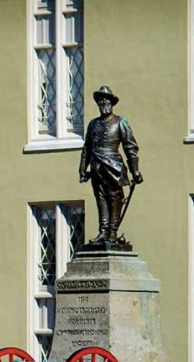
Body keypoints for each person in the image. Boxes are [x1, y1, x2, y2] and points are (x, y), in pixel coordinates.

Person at [79, 86, 143, 244]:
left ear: (112, 103)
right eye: (101, 101)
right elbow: (87, 148)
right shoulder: (93, 124)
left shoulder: (121, 122)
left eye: (107, 101)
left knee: (115, 198)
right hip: (96, 166)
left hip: (114, 165)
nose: (104, 104)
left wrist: (135, 171)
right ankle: (103, 231)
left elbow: (130, 147)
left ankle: (112, 232)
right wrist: (82, 169)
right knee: (100, 198)